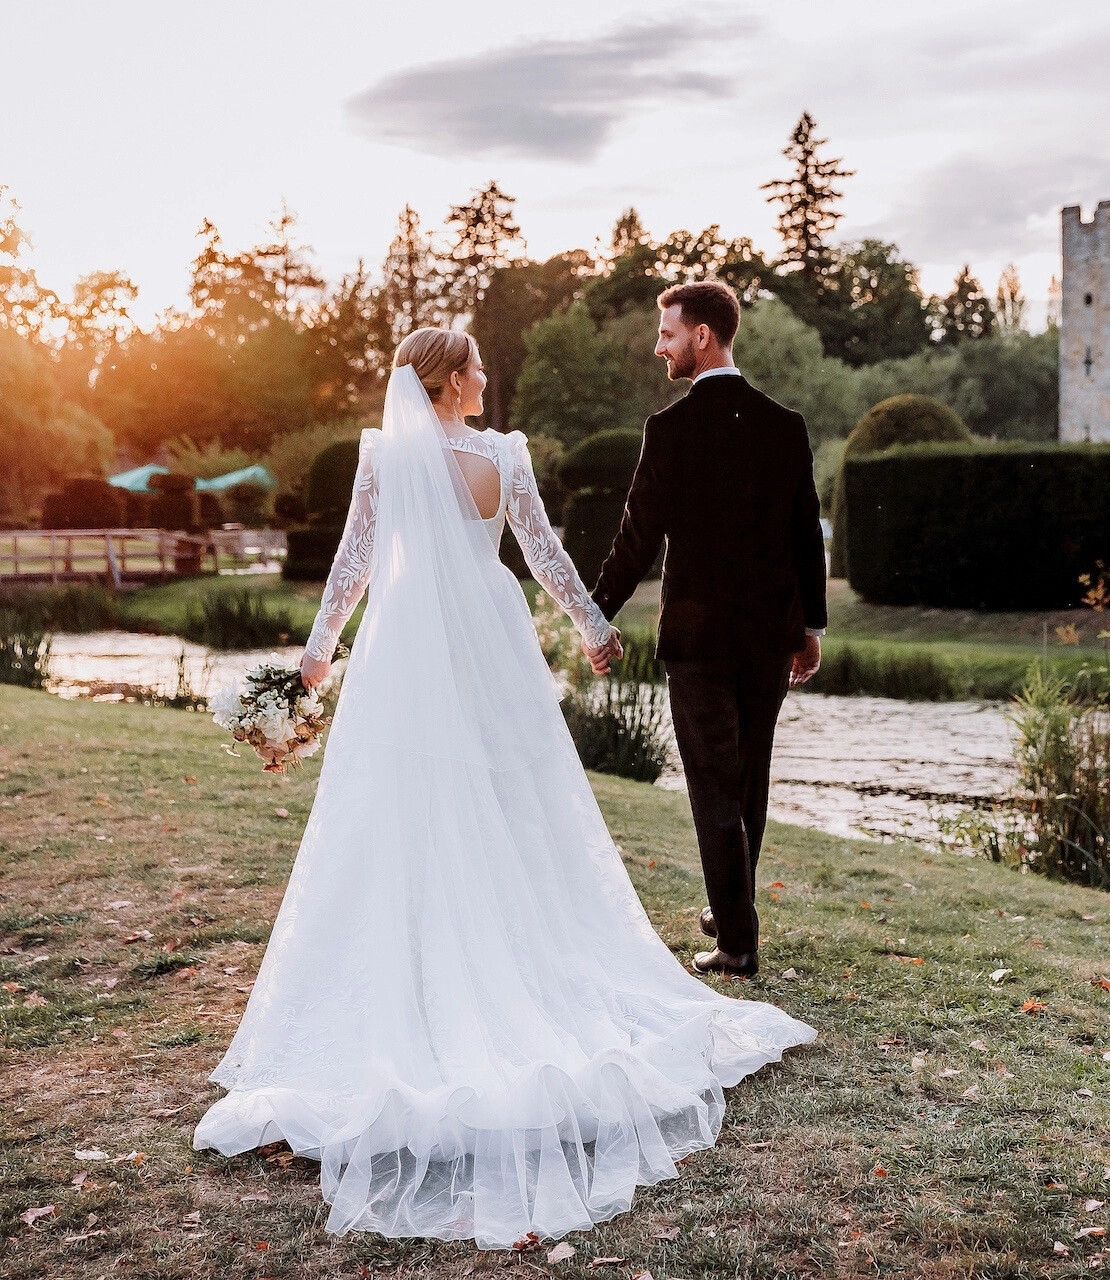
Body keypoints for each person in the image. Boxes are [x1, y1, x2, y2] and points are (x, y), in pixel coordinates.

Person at [191, 328, 815, 1249]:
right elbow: (544, 555)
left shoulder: (387, 458)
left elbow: (354, 564)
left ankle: (434, 953)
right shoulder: (500, 458)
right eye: (477, 367)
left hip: (408, 642)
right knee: (512, 803)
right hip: (486, 640)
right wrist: (594, 626)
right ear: (451, 382)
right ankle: (490, 948)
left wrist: (317, 657)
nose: (487, 378)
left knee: (403, 808)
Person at [590, 280, 828, 978]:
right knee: (748, 778)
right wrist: (809, 625)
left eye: (667, 334)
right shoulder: (784, 425)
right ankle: (732, 912)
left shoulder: (669, 430)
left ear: (702, 336)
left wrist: (597, 613)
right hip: (768, 635)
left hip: (699, 641)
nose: (658, 347)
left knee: (713, 786)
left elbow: (636, 538)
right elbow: (804, 536)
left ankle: (736, 944)